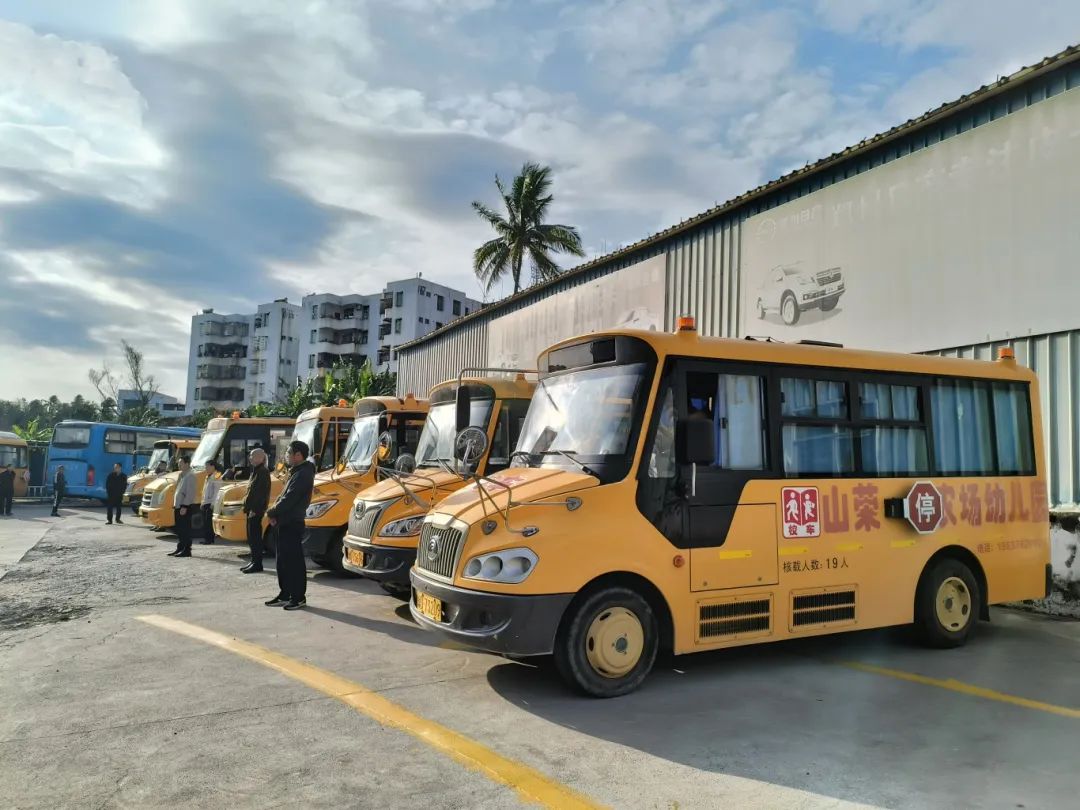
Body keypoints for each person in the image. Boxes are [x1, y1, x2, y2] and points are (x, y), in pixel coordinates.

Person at [265, 440, 315, 611]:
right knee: (283, 561)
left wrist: (271, 512)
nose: (286, 455)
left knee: (294, 562)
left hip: (293, 522)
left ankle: (298, 596)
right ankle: (285, 593)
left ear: (298, 455)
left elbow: (290, 499)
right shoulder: (295, 472)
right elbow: (282, 496)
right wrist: (275, 514)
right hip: (284, 522)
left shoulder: (304, 474)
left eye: (288, 453)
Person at [241, 448, 271, 573]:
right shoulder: (256, 471)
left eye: (252, 456)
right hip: (251, 510)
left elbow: (260, 494)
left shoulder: (263, 472)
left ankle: (257, 564)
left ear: (260, 458)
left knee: (255, 538)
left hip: (255, 510)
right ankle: (254, 561)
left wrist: (254, 509)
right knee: (251, 538)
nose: (250, 458)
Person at [167, 456, 196, 558]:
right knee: (179, 529)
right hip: (178, 505)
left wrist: (185, 506)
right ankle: (180, 547)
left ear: (187, 463)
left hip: (185, 506)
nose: (179, 465)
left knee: (185, 529)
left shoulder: (191, 476)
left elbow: (190, 493)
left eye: (181, 463)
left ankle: (187, 550)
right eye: (179, 463)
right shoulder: (182, 475)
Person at [200, 460, 222, 545]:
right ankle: (207, 538)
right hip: (206, 502)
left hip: (211, 503)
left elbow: (217, 492)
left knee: (209, 523)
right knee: (205, 522)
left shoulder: (216, 476)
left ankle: (209, 539)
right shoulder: (208, 476)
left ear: (213, 467)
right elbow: (205, 491)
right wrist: (202, 502)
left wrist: (213, 504)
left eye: (207, 466)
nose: (206, 468)